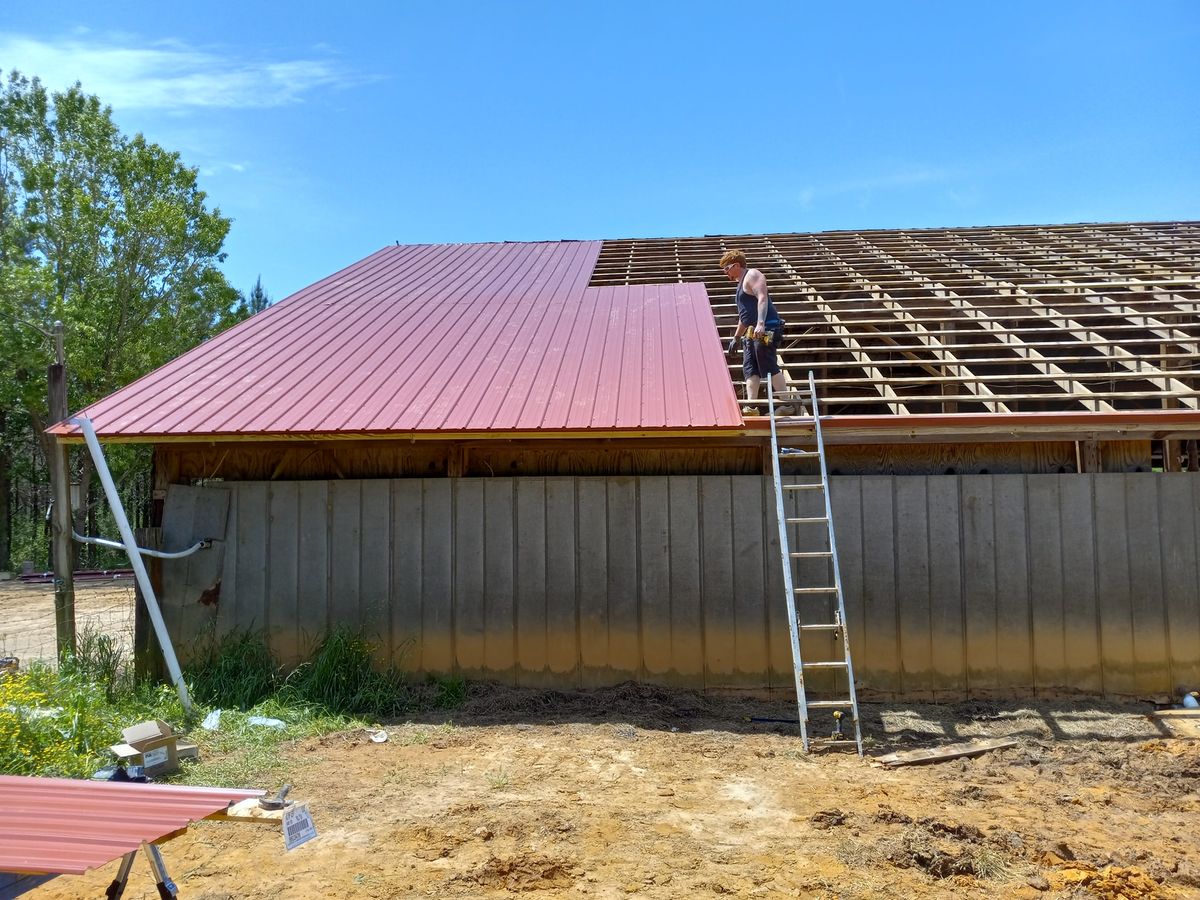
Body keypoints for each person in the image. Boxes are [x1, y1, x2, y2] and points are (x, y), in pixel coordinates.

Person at [720, 249, 795, 415]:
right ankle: (752, 407)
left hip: (767, 327)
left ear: (736, 265)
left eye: (727, 269)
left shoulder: (752, 275)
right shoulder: (740, 285)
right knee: (750, 367)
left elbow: (762, 297)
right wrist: (736, 337)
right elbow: (745, 316)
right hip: (751, 331)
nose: (726, 274)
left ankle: (786, 404)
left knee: (766, 361)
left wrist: (761, 323)